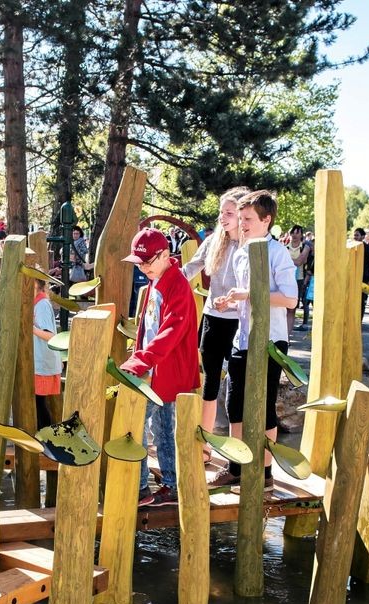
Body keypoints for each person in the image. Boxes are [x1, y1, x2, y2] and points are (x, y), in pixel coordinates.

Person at [208, 190, 298, 492]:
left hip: (270, 341)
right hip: (243, 339)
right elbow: (247, 301)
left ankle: (265, 473)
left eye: (248, 219)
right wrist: (229, 303)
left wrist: (246, 295)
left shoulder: (278, 253)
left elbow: (289, 299)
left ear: (266, 220)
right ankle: (235, 467)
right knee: (234, 402)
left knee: (264, 406)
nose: (242, 224)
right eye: (241, 218)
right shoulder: (242, 252)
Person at [119, 228, 200, 507]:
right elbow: (147, 324)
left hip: (169, 371)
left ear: (165, 255)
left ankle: (143, 487)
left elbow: (171, 331)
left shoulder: (178, 285)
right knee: (160, 426)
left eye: (147, 262)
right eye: (139, 263)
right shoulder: (156, 279)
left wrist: (142, 359)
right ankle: (170, 483)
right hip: (154, 369)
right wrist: (138, 352)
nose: (142, 268)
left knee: (146, 423)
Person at [181, 186, 247, 457]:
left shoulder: (250, 245)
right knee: (209, 380)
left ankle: (236, 451)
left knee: (235, 385)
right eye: (221, 212)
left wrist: (234, 302)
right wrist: (166, 280)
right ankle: (204, 445)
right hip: (212, 318)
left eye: (229, 212)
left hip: (239, 322)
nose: (223, 217)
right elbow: (191, 268)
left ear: (243, 215)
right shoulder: (212, 241)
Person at [30, 278, 61, 428]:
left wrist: (30, 328)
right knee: (37, 403)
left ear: (39, 285)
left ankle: (46, 439)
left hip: (42, 361)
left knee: (39, 403)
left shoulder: (42, 304)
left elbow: (50, 335)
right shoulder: (36, 302)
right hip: (39, 361)